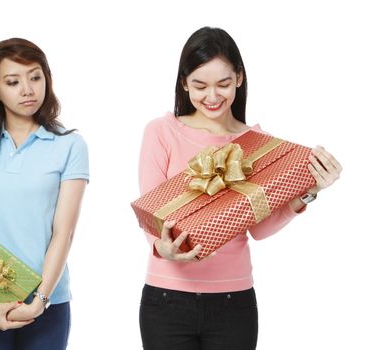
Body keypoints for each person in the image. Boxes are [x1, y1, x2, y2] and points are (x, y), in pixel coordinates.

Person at [138, 27, 342, 350]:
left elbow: (258, 230)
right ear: (183, 84)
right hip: (166, 301)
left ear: (239, 78)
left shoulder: (257, 144)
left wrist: (308, 190)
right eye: (199, 86)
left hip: (233, 303)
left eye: (223, 83)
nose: (212, 96)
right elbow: (152, 215)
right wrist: (162, 249)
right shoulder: (161, 132)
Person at [0, 38, 89, 350]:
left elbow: (63, 233)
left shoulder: (70, 146)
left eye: (35, 77)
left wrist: (40, 300)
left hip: (48, 301)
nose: (27, 90)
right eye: (13, 82)